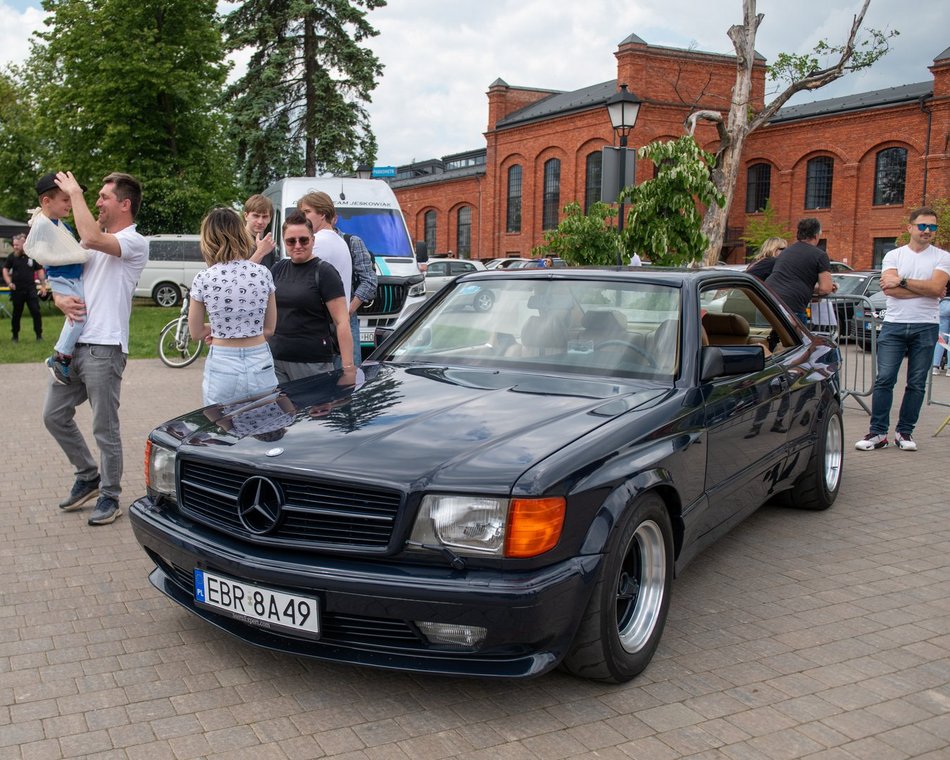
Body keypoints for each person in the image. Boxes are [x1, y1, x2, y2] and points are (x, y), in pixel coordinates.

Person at [43, 171, 148, 526]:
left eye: (104, 197)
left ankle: (110, 495)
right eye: (96, 197)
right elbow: (65, 279)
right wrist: (58, 299)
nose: (97, 202)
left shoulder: (134, 242)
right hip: (72, 347)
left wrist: (73, 192)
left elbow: (89, 233)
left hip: (105, 348)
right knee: (53, 415)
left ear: (124, 204)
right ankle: (88, 475)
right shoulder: (88, 242)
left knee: (105, 428)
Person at [855, 208, 950, 451]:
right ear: (910, 227)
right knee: (884, 379)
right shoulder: (894, 255)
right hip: (894, 325)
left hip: (926, 326)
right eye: (923, 226)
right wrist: (925, 288)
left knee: (916, 383)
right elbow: (889, 289)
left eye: (933, 227)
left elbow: (937, 287)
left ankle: (904, 433)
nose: (928, 231)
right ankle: (877, 433)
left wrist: (904, 281)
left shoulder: (942, 257)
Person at [188, 207, 278, 406]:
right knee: (264, 425)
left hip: (223, 362)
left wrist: (219, 327)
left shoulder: (204, 278)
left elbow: (195, 332)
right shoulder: (262, 273)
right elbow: (270, 328)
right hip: (259, 358)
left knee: (220, 428)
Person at [268, 211, 355, 383]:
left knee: (310, 409)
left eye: (304, 240)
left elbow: (342, 321)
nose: (298, 245)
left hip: (312, 362)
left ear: (313, 240)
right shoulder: (277, 269)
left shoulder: (324, 272)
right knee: (283, 411)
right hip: (276, 360)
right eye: (291, 241)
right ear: (284, 243)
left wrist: (348, 368)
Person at [31, 172, 88, 382]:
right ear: (47, 201)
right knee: (78, 316)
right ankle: (60, 356)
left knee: (79, 316)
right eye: (66, 199)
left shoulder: (64, 227)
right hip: (62, 278)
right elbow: (42, 257)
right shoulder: (43, 226)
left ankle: (64, 354)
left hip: (71, 277)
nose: (70, 204)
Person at [297, 191, 353, 365]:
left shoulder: (318, 242)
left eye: (306, 212)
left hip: (318, 329)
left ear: (322, 213)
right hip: (333, 326)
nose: (303, 217)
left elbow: (294, 277)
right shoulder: (338, 240)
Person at [760, 218, 833, 322]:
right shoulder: (820, 255)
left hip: (767, 300)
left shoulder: (786, 251)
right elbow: (825, 288)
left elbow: (792, 279)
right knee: (797, 338)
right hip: (792, 307)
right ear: (816, 235)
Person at [333, 214, 377, 367]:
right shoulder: (308, 241)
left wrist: (349, 309)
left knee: (347, 372)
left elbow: (369, 280)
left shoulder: (351, 242)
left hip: (345, 317)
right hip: (317, 321)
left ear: (332, 218)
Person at [2, 232, 46, 342]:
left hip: (31, 289)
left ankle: (39, 335)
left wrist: (43, 286)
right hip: (17, 290)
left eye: (17, 245)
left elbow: (40, 270)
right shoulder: (12, 257)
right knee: (16, 314)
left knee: (36, 312)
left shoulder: (32, 255)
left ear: (24, 244)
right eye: (14, 244)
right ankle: (15, 336)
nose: (15, 247)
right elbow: (5, 270)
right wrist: (9, 282)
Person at [243, 194, 276, 269]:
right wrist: (260, 252)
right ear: (246, 216)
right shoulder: (235, 241)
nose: (260, 221)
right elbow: (236, 275)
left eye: (265, 216)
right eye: (256, 216)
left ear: (270, 218)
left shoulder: (268, 244)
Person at [932, 281, 950, 376]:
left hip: (943, 304)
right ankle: (949, 369)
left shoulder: (945, 271)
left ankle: (935, 366)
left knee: (941, 338)